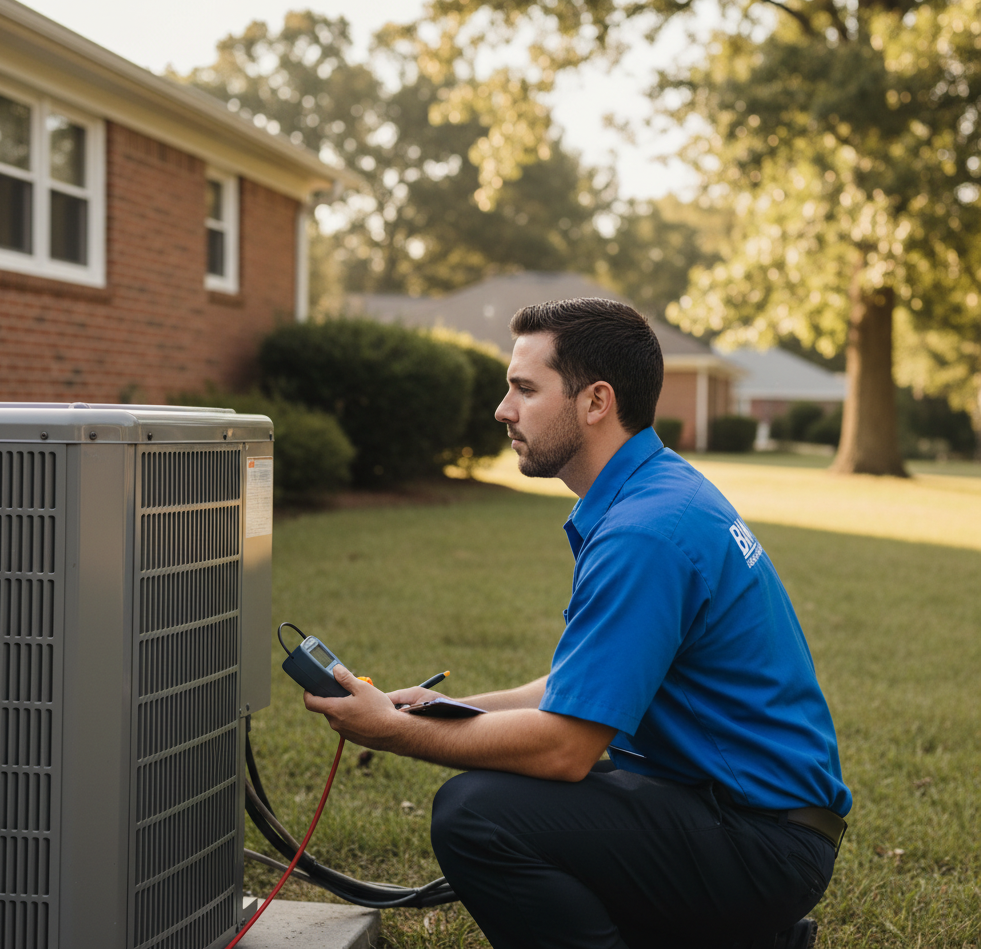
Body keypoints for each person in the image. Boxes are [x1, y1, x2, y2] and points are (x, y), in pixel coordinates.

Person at [304, 298, 851, 949]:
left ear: (596, 402)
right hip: (757, 818)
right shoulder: (657, 491)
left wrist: (395, 733)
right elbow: (587, 684)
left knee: (475, 814)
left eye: (524, 390)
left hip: (762, 841)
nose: (503, 410)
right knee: (526, 781)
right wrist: (439, 706)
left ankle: (739, 926)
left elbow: (565, 748)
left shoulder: (645, 532)